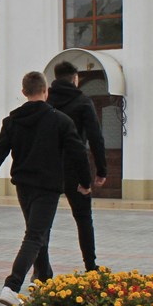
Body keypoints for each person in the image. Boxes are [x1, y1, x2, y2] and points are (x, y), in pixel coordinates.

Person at [0, 72, 91, 306]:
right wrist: (85, 182)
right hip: (47, 188)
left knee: (39, 234)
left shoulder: (12, 121)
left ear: (24, 92)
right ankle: (12, 286)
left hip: (24, 188)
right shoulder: (60, 120)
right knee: (36, 235)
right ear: (45, 91)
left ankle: (44, 281)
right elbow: (78, 152)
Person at [46, 61, 107, 270]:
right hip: (75, 166)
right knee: (83, 218)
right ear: (75, 78)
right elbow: (95, 137)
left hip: (48, 166)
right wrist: (101, 170)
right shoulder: (82, 101)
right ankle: (90, 266)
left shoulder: (46, 101)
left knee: (42, 222)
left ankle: (41, 268)